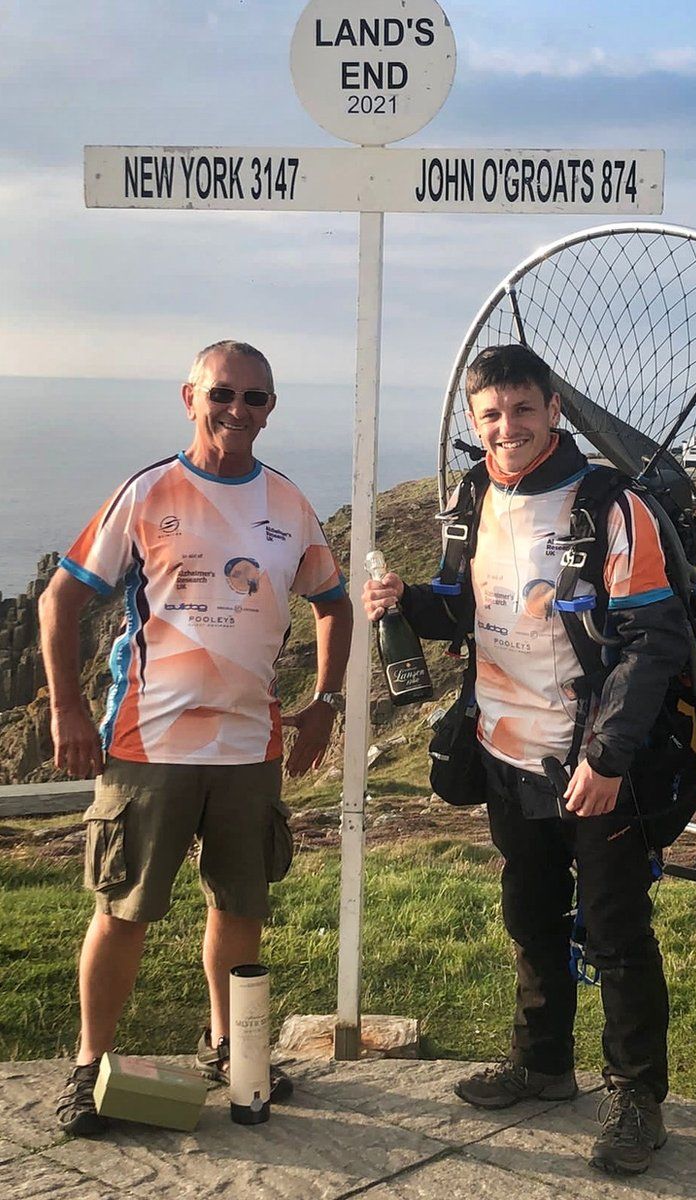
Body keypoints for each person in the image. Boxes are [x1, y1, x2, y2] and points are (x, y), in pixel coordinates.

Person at [362, 344, 690, 1176]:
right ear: (476, 423)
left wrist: (609, 759)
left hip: (593, 764)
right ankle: (543, 1065)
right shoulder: (474, 497)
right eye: (491, 416)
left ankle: (634, 1096)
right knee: (530, 914)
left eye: (522, 410)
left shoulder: (612, 508)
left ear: (552, 408)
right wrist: (407, 604)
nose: (507, 428)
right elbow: (463, 608)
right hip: (504, 750)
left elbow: (652, 644)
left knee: (615, 932)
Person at [40, 340, 353, 1136]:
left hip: (251, 749)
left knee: (240, 904)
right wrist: (67, 709)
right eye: (222, 394)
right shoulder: (149, 491)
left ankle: (229, 1048)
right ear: (190, 397)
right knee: (123, 910)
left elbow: (334, 603)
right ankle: (88, 1066)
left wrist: (323, 703)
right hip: (150, 744)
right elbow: (59, 601)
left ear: (271, 408)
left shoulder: (287, 503)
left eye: (254, 398)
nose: (237, 411)